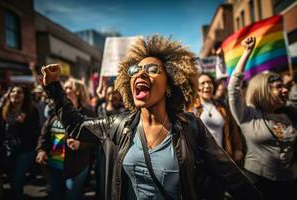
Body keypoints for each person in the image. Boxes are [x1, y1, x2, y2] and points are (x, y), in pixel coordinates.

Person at [41, 35, 262, 200]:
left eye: (153, 69)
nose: (141, 73)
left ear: (170, 84)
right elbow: (76, 125)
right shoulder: (117, 125)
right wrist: (53, 87)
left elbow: (232, 177)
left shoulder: (191, 127)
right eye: (135, 69)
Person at [228, 36, 297, 200]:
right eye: (278, 87)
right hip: (258, 184)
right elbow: (233, 88)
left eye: (285, 87)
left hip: (290, 184)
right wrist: (247, 52)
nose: (285, 90)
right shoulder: (247, 115)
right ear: (263, 90)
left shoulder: (289, 114)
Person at [36, 78, 95, 200]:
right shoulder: (56, 111)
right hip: (54, 165)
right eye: (64, 87)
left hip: (75, 167)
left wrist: (81, 143)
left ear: (78, 92)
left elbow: (96, 138)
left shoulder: (88, 114)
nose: (64, 90)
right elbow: (44, 134)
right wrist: (41, 150)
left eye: (68, 87)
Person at [189, 73, 243, 164]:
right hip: (203, 159)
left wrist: (238, 149)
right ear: (197, 88)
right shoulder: (192, 108)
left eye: (209, 82)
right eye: (203, 83)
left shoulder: (221, 106)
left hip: (223, 156)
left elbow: (233, 128)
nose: (207, 85)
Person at [0, 85, 40, 199]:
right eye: (13, 91)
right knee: (11, 179)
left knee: (17, 180)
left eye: (19, 92)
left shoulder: (31, 111)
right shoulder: (2, 110)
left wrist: (24, 123)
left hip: (25, 151)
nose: (15, 94)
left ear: (25, 96)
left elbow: (35, 133)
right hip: (7, 150)